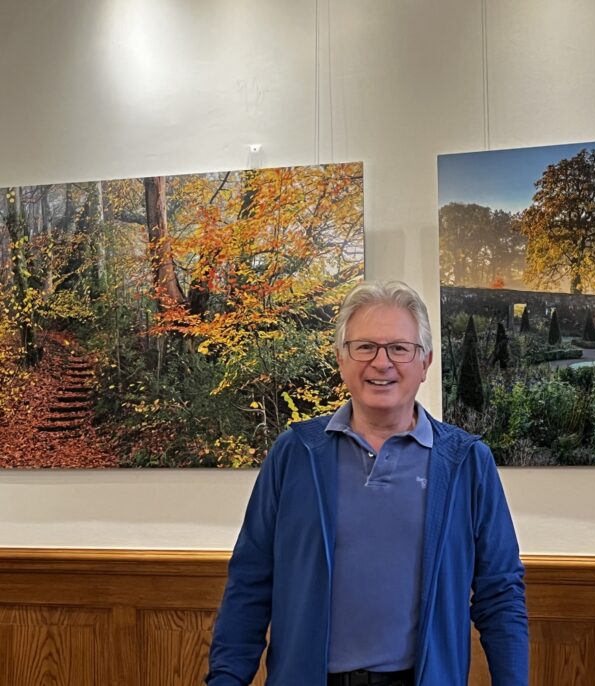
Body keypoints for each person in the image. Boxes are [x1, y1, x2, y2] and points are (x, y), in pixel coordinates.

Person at [206, 280, 528, 686]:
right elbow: (250, 582)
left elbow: (501, 595)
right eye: (365, 347)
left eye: (399, 348)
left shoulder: (466, 462)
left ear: (425, 362)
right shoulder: (295, 453)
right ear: (342, 360)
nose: (382, 362)